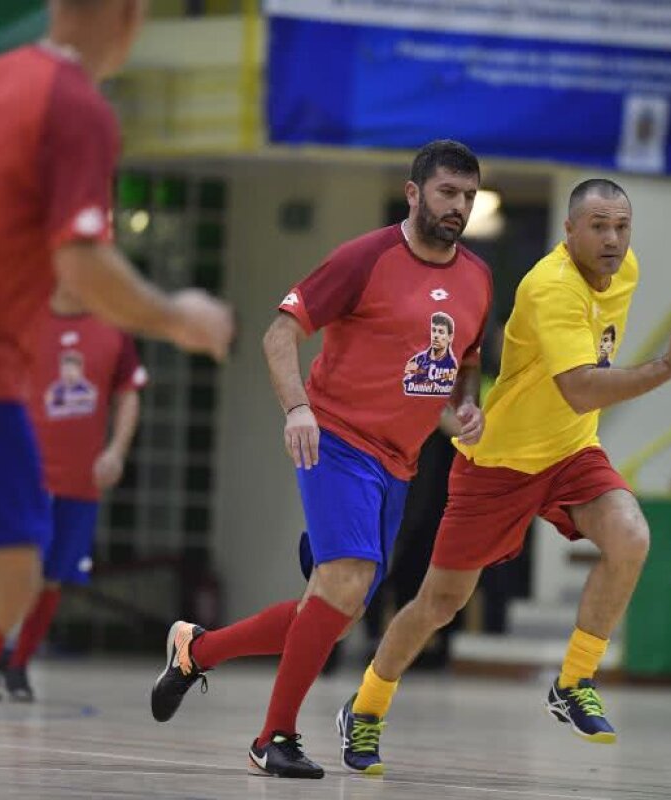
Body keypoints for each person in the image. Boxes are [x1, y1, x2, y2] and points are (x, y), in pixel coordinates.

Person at [0, 2, 233, 797]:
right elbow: (84, 265)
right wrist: (178, 318)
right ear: (130, 18)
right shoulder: (76, 108)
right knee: (2, 583)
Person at [335, 178, 671, 775]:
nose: (613, 240)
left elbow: (579, 405)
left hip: (569, 452)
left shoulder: (625, 269)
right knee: (439, 604)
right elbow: (580, 388)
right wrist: (666, 367)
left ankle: (574, 680)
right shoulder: (550, 287)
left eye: (621, 227)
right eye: (598, 227)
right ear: (568, 231)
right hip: (499, 464)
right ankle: (367, 707)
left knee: (631, 538)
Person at [149, 140, 493, 779]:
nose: (460, 206)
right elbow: (279, 334)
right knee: (346, 583)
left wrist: (464, 410)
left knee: (333, 613)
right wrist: (297, 409)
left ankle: (198, 650)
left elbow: (463, 363)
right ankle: (271, 738)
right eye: (448, 192)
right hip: (336, 439)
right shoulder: (364, 259)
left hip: (400, 462)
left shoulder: (477, 276)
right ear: (414, 194)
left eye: (469, 196)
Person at [0, 286, 148, 702]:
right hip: (24, 473)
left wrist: (116, 451)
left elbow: (129, 394)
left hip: (80, 480)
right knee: (13, 567)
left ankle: (17, 667)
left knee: (52, 578)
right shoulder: (25, 315)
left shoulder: (112, 328)